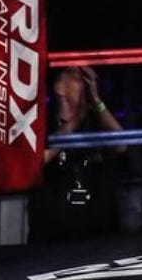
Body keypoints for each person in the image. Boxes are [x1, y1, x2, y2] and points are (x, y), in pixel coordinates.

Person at [30, 65, 127, 242]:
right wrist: (77, 119)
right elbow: (37, 160)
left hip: (97, 222)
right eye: (78, 77)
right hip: (53, 225)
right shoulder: (41, 122)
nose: (87, 83)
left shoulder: (97, 120)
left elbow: (121, 145)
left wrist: (97, 100)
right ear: (59, 86)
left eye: (90, 79)